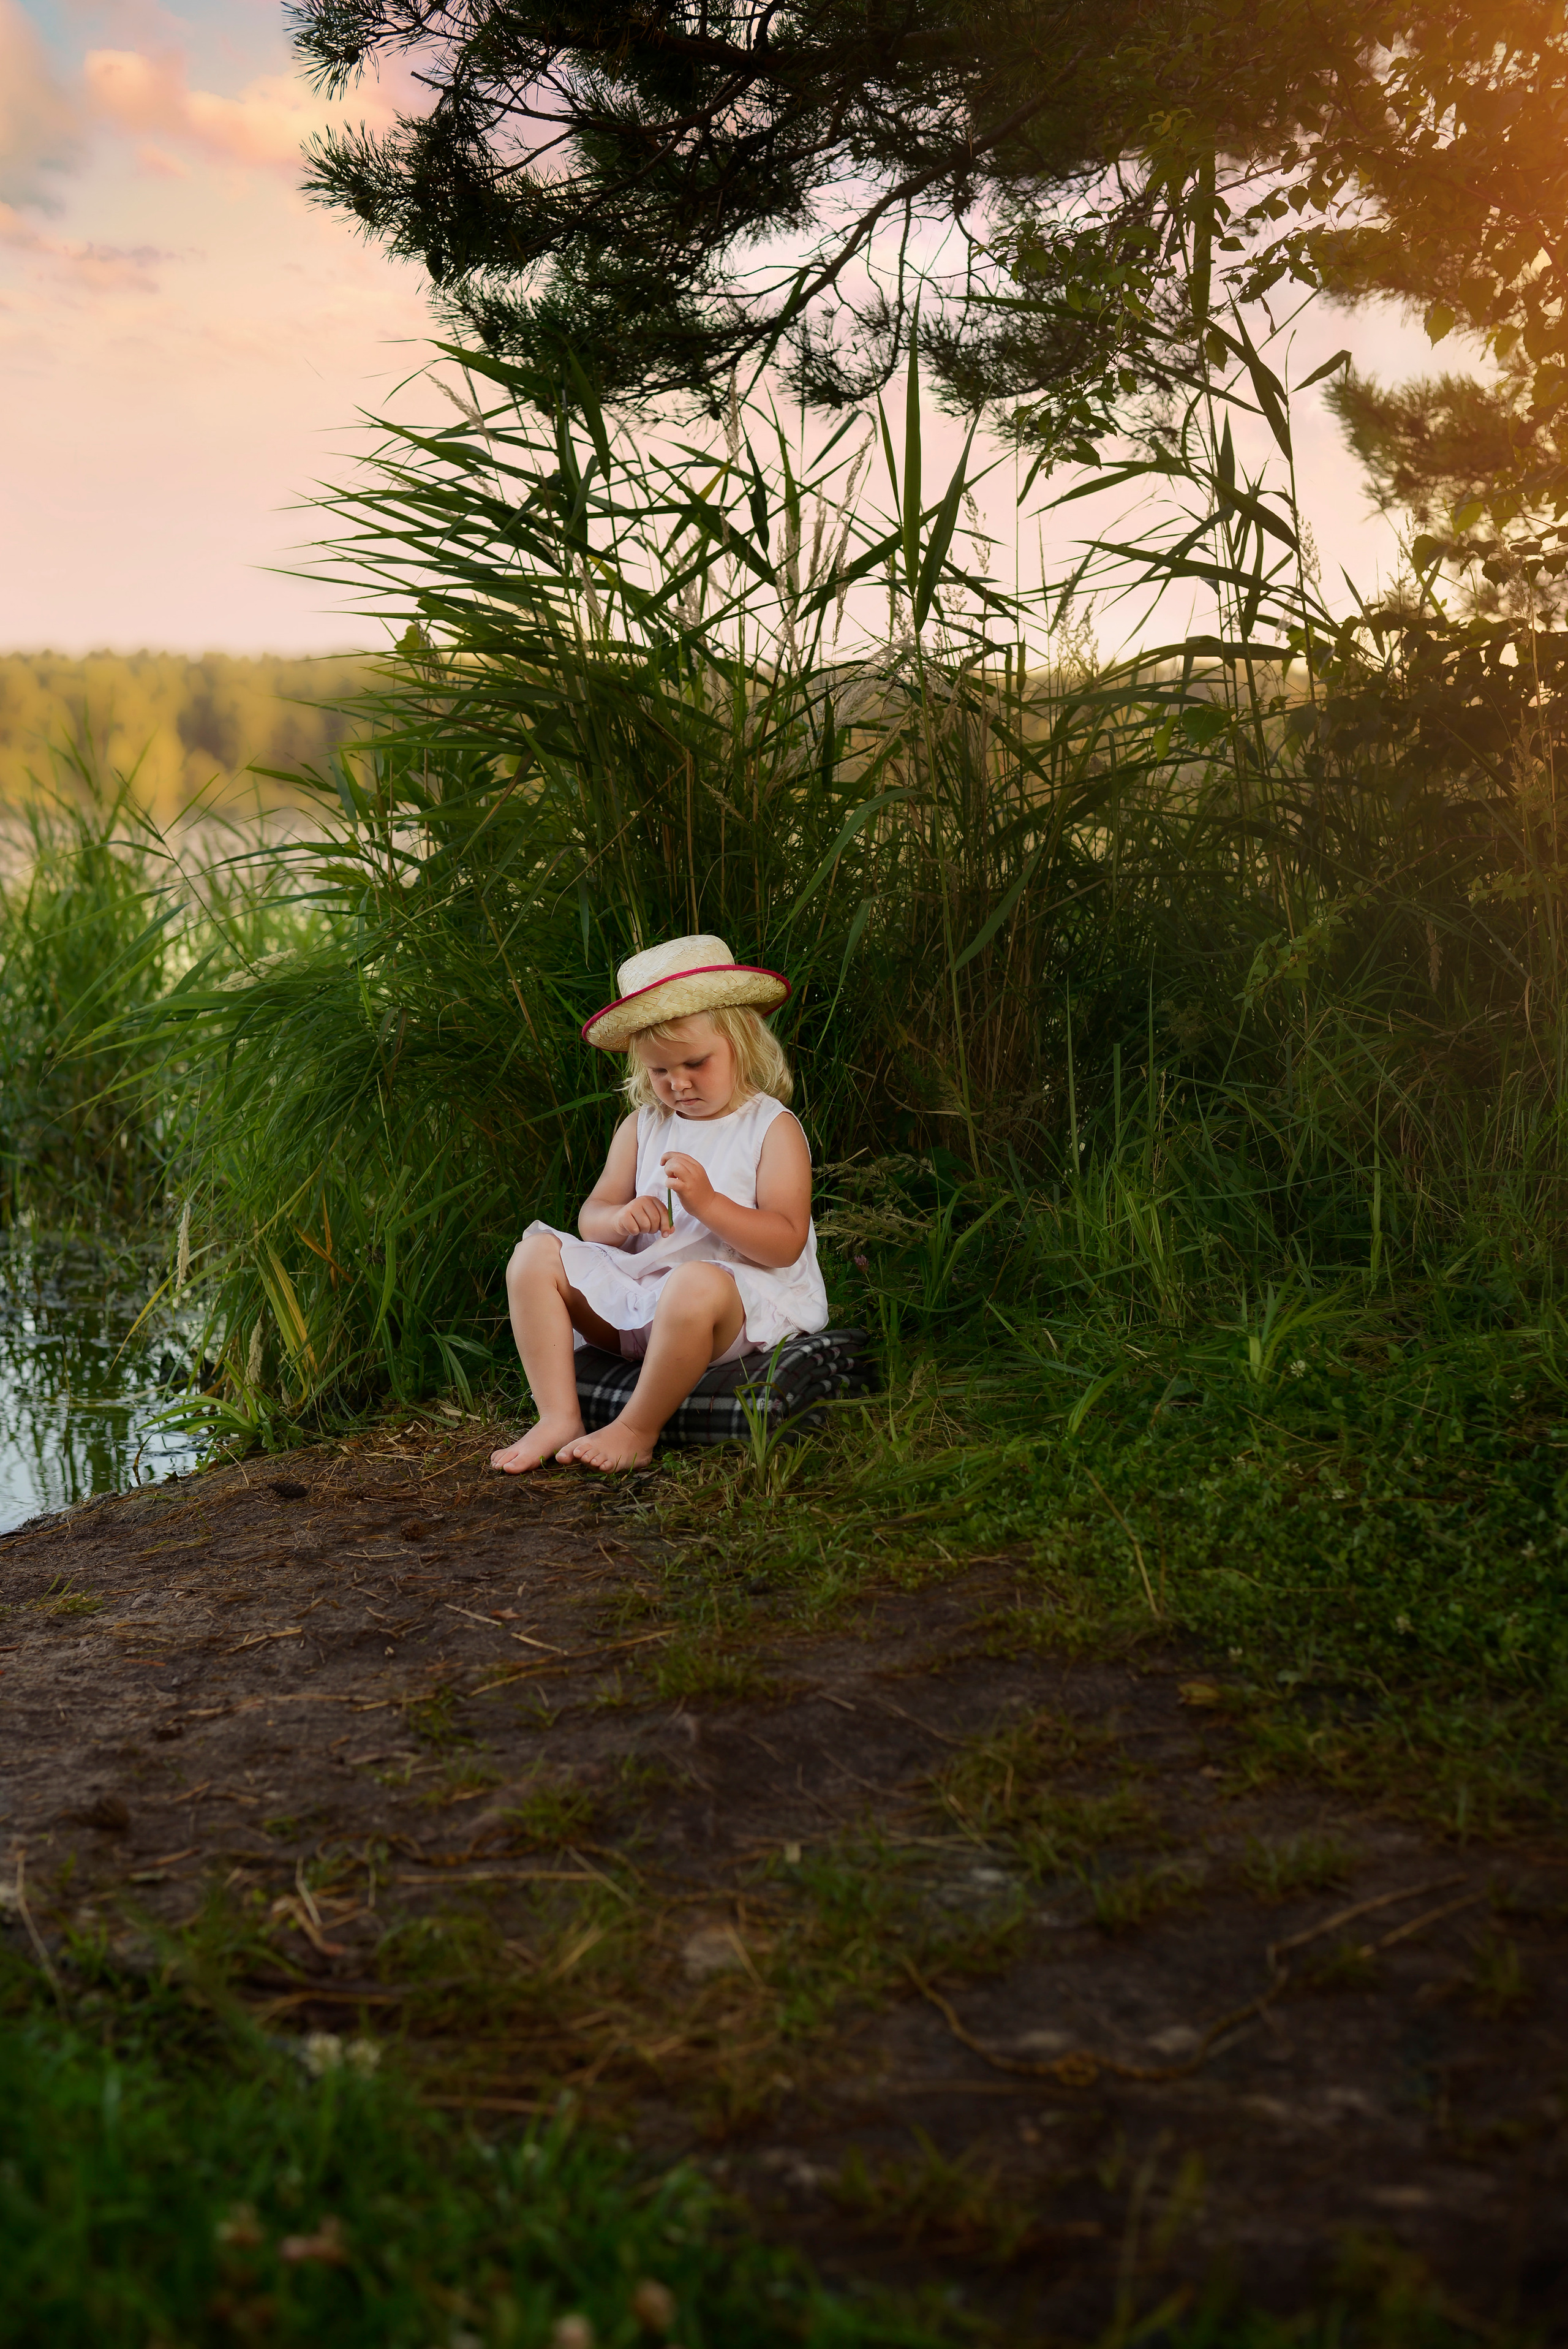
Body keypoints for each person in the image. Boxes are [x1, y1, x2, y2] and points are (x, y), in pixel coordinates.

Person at [491, 934, 829, 1473]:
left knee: (695, 1280)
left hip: (724, 1309)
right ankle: (558, 1415)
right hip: (640, 1299)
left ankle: (636, 1428)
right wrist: (620, 1220)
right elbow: (593, 1217)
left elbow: (785, 1243)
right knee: (532, 1256)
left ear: (743, 1042)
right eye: (659, 1071)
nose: (677, 1083)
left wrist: (709, 1202)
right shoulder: (643, 1125)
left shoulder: (771, 1128)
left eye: (695, 1063)